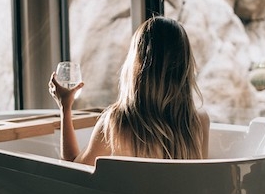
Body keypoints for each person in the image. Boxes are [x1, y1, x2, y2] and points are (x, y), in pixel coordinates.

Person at [48, 16, 210, 166]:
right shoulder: (199, 122)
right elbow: (198, 182)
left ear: (136, 64)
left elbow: (74, 173)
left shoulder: (116, 122)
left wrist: (65, 108)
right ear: (185, 67)